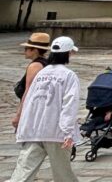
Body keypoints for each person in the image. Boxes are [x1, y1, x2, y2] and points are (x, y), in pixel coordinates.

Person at [9, 36, 80, 182]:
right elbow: (69, 104)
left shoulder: (41, 73)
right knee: (63, 175)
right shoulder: (68, 75)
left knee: (23, 172)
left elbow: (30, 100)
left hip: (35, 130)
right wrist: (68, 131)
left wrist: (24, 125)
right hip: (56, 132)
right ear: (69, 53)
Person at [12, 33, 50, 132]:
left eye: (27, 49)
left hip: (33, 109)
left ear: (35, 50)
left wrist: (18, 115)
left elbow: (28, 90)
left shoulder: (35, 65)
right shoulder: (46, 63)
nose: (24, 51)